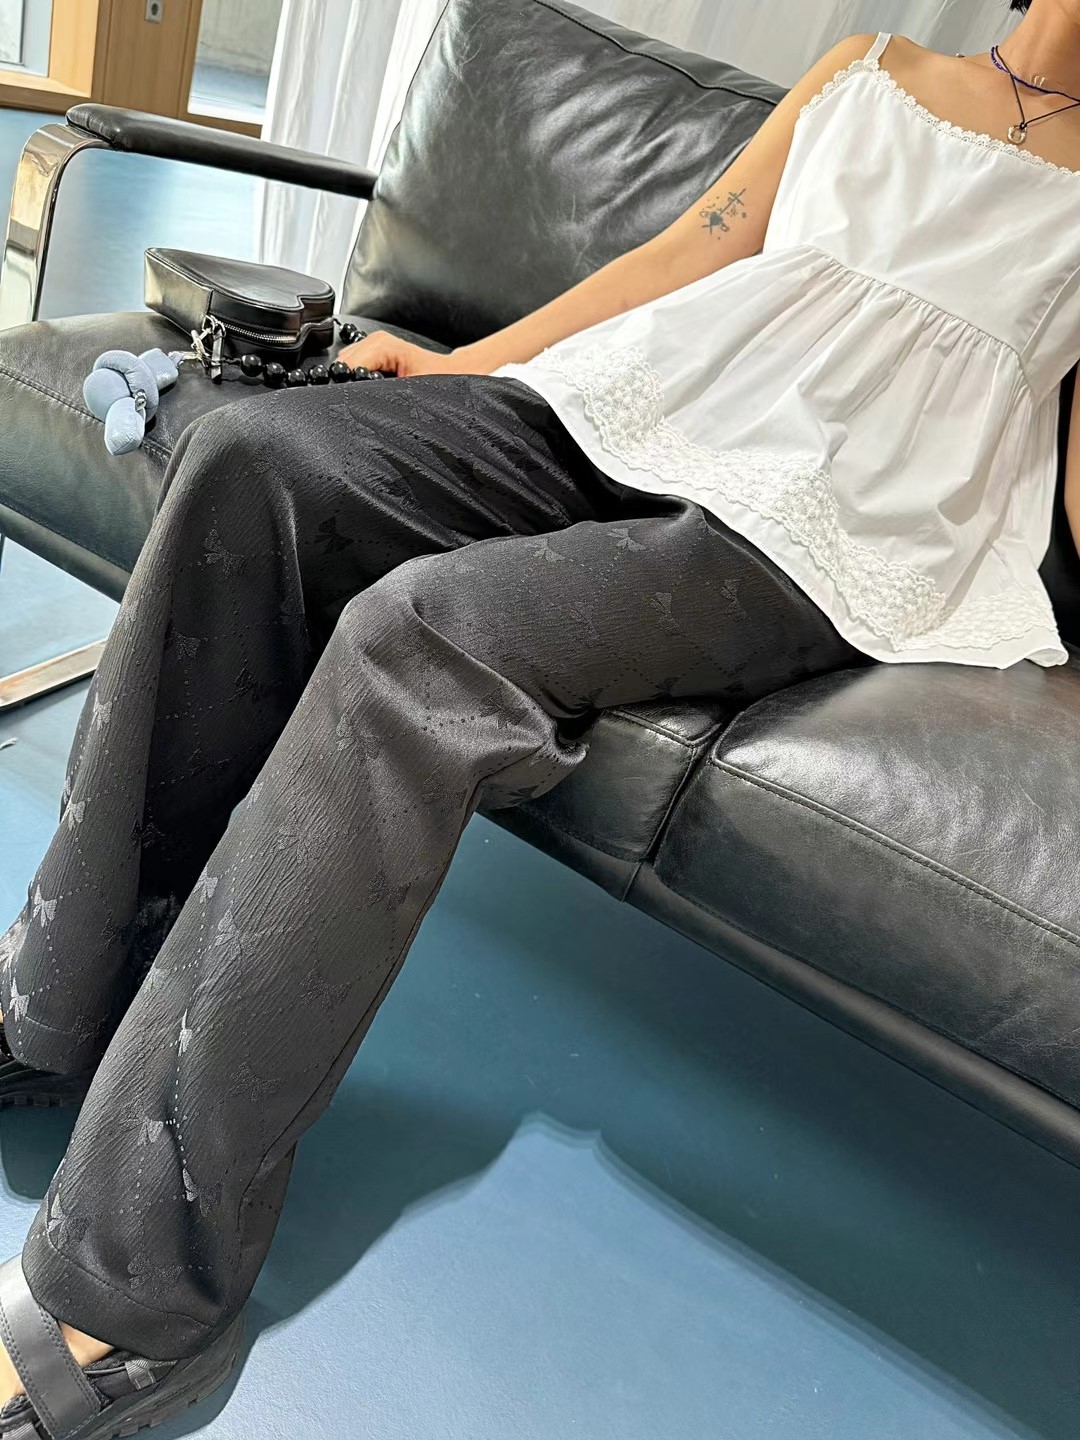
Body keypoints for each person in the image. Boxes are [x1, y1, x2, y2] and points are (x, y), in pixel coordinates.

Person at [0, 3, 1076, 1434]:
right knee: (252, 459)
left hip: (827, 529)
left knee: (422, 640)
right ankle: (62, 1003)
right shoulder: (870, 72)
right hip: (627, 405)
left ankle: (140, 1284)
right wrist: (467, 367)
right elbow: (684, 258)